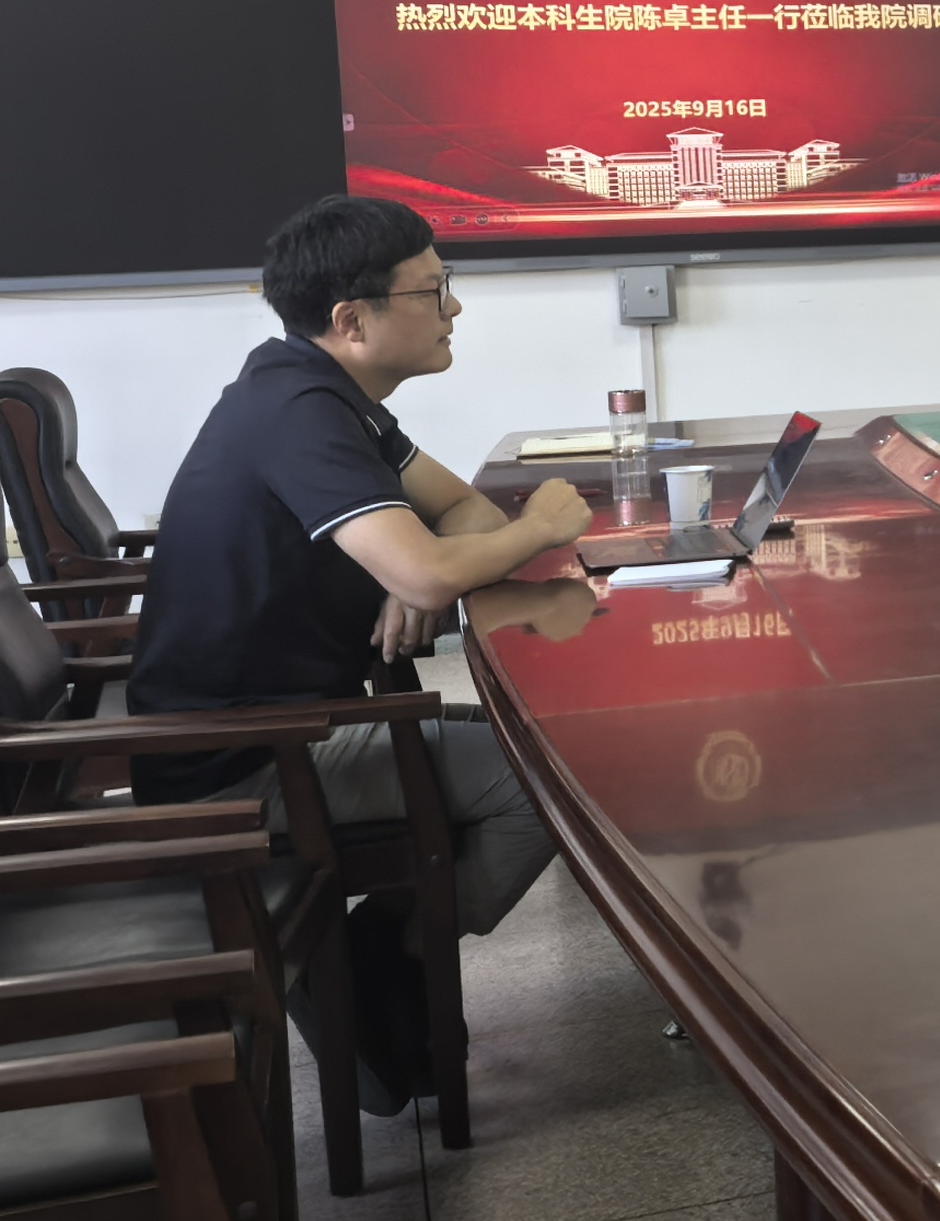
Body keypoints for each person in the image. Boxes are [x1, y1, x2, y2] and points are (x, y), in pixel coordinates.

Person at [130, 195, 595, 1107]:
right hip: (244, 764)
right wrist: (537, 527)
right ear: (352, 320)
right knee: (560, 778)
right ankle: (375, 959)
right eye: (432, 290)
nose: (454, 307)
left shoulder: (321, 392)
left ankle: (367, 958)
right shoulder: (300, 412)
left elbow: (458, 512)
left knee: (534, 740)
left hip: (291, 725)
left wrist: (408, 572)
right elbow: (441, 563)